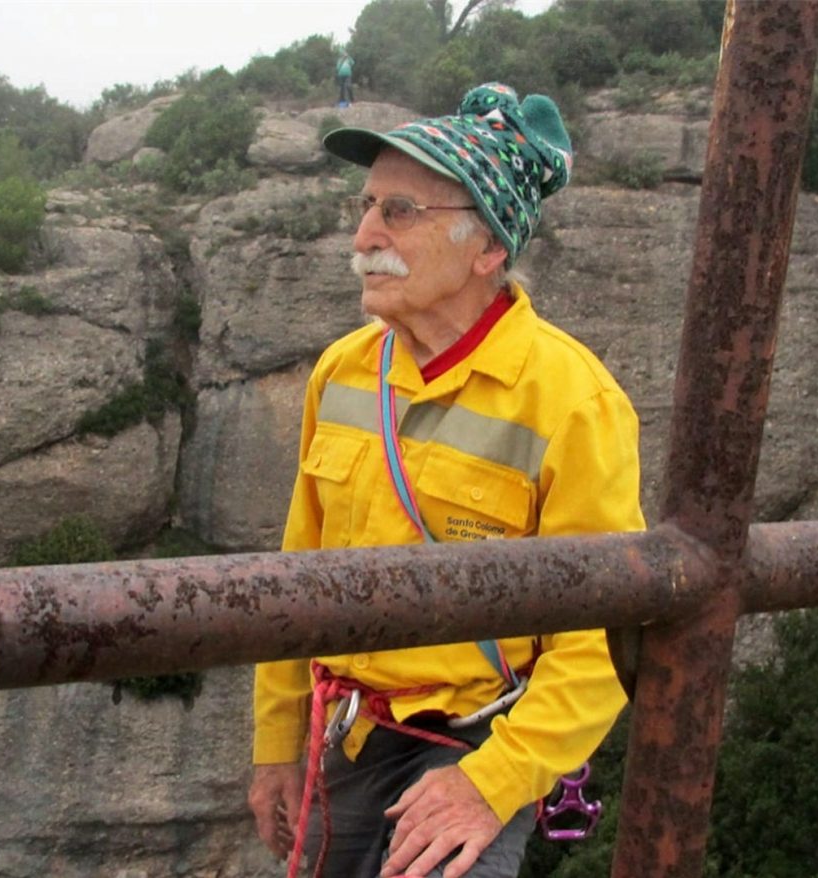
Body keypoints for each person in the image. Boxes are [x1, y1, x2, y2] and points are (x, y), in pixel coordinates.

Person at [248, 82, 644, 878]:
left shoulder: (571, 400)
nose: (363, 237)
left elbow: (602, 640)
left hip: (478, 738)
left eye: (400, 212)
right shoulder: (343, 372)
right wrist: (276, 747)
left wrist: (490, 783)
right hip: (349, 738)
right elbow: (298, 573)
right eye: (364, 208)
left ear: (488, 248)